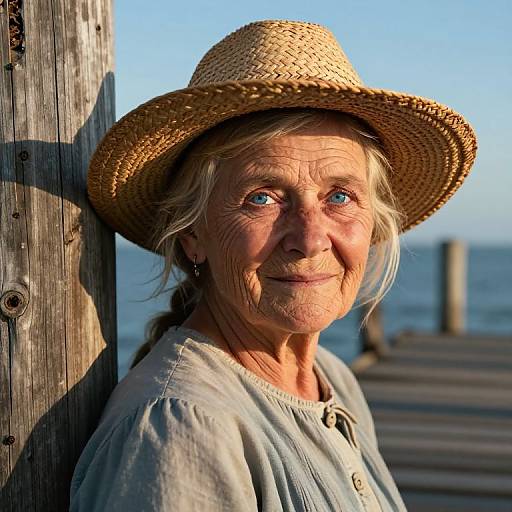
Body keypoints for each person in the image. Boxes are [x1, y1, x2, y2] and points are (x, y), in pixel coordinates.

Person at [70, 19, 476, 512]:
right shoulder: (183, 431)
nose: (308, 238)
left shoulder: (330, 378)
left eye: (340, 196)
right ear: (192, 234)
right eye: (262, 198)